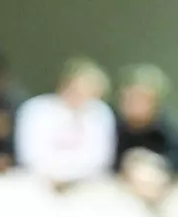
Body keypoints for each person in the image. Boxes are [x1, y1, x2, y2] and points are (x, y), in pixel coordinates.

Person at [14, 57, 114, 186]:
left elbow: (100, 158)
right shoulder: (35, 109)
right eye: (78, 88)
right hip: (39, 182)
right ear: (65, 84)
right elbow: (30, 156)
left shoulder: (100, 112)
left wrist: (71, 176)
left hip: (85, 183)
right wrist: (57, 175)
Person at [114, 64, 178, 172]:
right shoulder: (109, 129)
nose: (134, 105)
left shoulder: (172, 134)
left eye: (141, 99)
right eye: (129, 98)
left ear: (157, 102)